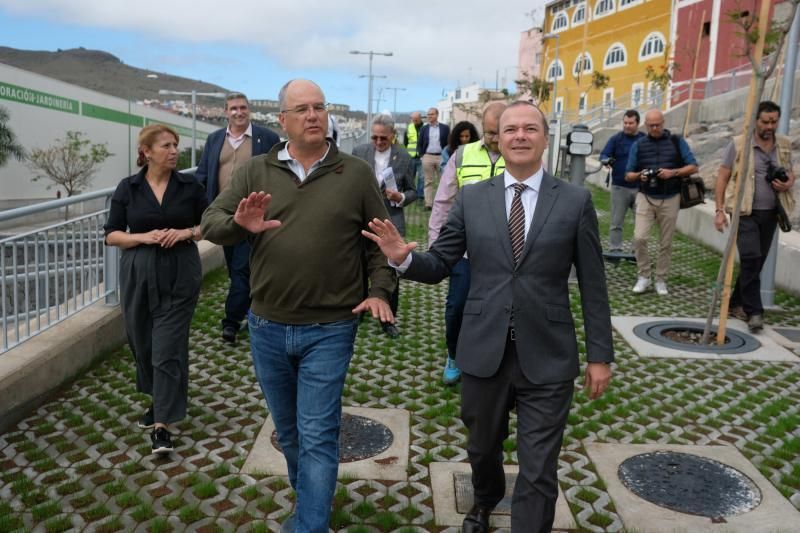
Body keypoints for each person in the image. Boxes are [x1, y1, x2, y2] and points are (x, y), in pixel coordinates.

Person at [364, 101, 613, 533]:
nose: (519, 135)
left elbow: (594, 283)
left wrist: (599, 356)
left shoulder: (575, 202)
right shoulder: (474, 197)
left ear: (544, 138)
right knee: (482, 449)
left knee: (539, 468)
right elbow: (441, 262)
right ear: (498, 137)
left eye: (529, 129)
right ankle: (484, 501)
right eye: (510, 129)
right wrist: (405, 260)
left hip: (548, 354)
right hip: (482, 348)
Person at [200, 79, 395, 533]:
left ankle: (309, 524)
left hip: (330, 328)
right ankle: (311, 506)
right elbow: (210, 222)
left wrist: (380, 291)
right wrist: (240, 225)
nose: (313, 115)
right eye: (302, 109)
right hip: (266, 326)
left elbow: (380, 244)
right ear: (282, 121)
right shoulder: (255, 171)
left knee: (318, 434)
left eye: (319, 107)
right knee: (289, 435)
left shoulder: (356, 173)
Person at [104, 124, 207, 455]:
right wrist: (143, 238)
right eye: (166, 145)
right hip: (138, 271)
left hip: (180, 272)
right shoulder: (129, 188)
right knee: (142, 344)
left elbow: (208, 225)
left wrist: (185, 232)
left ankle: (162, 424)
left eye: (176, 145)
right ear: (146, 151)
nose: (175, 150)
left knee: (167, 347)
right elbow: (112, 234)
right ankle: (159, 398)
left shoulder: (190, 185)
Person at [428, 102, 506, 386]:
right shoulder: (463, 155)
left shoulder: (522, 156)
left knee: (501, 310)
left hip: (506, 256)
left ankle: (492, 359)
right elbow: (443, 201)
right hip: (464, 252)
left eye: (500, 132)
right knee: (457, 306)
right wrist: (437, 247)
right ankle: (454, 355)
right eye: (489, 133)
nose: (496, 139)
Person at [195, 92, 280, 344]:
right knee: (235, 269)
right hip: (224, 217)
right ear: (225, 112)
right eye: (233, 108)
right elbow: (202, 175)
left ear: (249, 110)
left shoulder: (267, 138)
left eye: (243, 107)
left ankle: (230, 323)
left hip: (254, 215)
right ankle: (253, 308)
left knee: (242, 269)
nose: (238, 112)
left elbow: (278, 172)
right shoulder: (214, 139)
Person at [714, 100, 796, 332]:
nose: (769, 126)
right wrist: (719, 210)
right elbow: (722, 177)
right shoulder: (739, 144)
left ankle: (734, 302)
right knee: (750, 257)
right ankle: (755, 311)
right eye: (765, 121)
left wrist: (788, 182)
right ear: (755, 121)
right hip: (744, 211)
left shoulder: (783, 144)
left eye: (774, 122)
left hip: (771, 213)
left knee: (756, 262)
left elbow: (790, 173)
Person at [352, 114, 417, 338]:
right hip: (362, 219)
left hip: (390, 220)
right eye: (374, 138)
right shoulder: (360, 152)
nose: (378, 142)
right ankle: (359, 309)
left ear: (393, 136)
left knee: (391, 269)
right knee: (358, 265)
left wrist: (400, 197)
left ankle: (389, 318)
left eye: (383, 138)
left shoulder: (404, 157)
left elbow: (413, 191)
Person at [625, 109, 698, 296]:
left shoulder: (676, 141)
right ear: (646, 125)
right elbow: (628, 174)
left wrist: (672, 172)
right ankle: (644, 275)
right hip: (645, 196)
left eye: (657, 124)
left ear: (663, 123)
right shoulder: (639, 145)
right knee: (639, 237)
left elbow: (693, 166)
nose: (654, 128)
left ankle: (661, 279)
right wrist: (640, 175)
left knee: (666, 242)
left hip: (670, 196)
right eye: (651, 125)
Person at [600, 109, 645, 252]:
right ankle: (615, 249)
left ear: (638, 123)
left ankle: (636, 252)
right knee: (616, 222)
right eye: (625, 123)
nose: (627, 126)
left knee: (641, 223)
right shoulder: (616, 139)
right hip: (619, 187)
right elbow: (604, 154)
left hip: (641, 188)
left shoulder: (644, 139)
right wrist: (605, 160)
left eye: (631, 123)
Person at [418, 107, 451, 209]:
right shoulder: (424, 128)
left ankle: (443, 203)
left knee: (444, 180)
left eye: (431, 114)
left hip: (441, 157)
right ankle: (428, 204)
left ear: (437, 115)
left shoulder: (445, 128)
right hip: (428, 156)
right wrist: (421, 156)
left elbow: (449, 142)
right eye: (428, 114)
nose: (429, 116)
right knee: (428, 181)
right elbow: (420, 143)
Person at [404, 111, 424, 201]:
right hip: (411, 157)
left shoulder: (425, 128)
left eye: (416, 119)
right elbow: (405, 142)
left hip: (421, 157)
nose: (414, 121)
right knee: (410, 176)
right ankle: (410, 194)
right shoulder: (409, 128)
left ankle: (420, 196)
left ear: (420, 118)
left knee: (421, 177)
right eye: (413, 119)